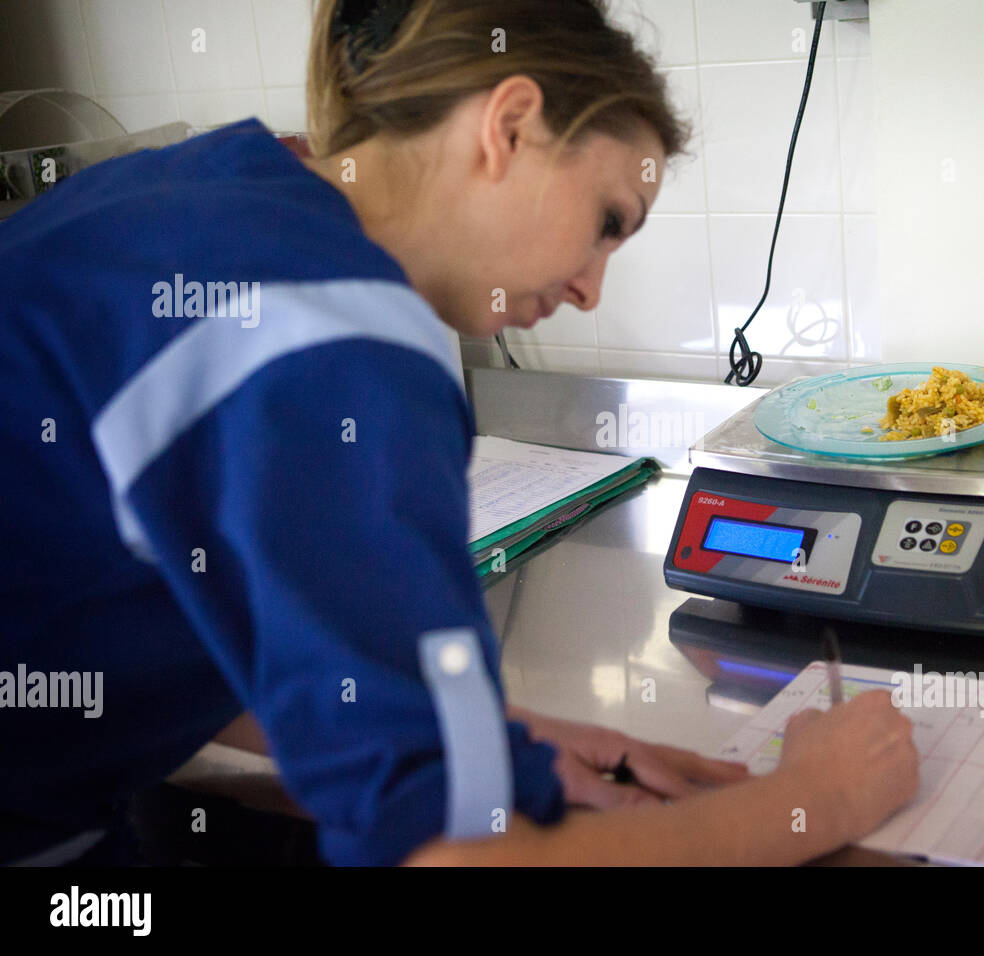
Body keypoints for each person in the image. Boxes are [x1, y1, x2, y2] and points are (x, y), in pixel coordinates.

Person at [0, 0, 917, 866]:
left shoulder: (214, 191)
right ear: (508, 125)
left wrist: (484, 741)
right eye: (607, 222)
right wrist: (812, 803)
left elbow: (143, 616)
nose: (592, 286)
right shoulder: (333, 336)